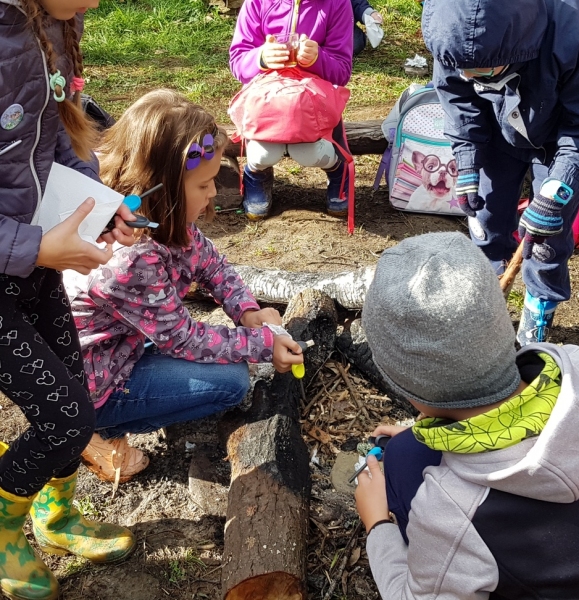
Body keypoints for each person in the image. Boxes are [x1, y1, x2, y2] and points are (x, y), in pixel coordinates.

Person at [66, 90, 305, 485]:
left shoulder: (158, 217)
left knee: (225, 359)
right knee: (231, 383)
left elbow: (211, 263)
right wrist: (263, 343)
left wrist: (246, 310)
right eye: (205, 184)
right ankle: (93, 432)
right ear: (164, 187)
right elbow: (184, 339)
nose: (213, 193)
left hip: (123, 345)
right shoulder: (130, 258)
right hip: (93, 385)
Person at [355, 231, 579, 599]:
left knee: (404, 459)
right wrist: (428, 432)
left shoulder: (450, 513)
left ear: (405, 387)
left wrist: (377, 525)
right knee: (406, 451)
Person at [0, 0, 139, 596]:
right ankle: (3, 534)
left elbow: (57, 138)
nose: (95, 4)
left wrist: (96, 208)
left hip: (35, 260)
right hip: (19, 259)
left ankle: (54, 516)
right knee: (65, 420)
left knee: (75, 400)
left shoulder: (53, 20)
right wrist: (35, 247)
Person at [420, 0, 579, 346]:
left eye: (481, 70)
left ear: (517, 45)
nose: (468, 77)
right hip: (497, 130)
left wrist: (558, 189)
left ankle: (539, 308)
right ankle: (490, 291)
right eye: (463, 69)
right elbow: (458, 98)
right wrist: (467, 158)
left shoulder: (578, 30)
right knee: (484, 216)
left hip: (560, 138)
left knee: (547, 237)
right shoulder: (452, 33)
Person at [229, 0, 354, 220]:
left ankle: (337, 168)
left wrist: (318, 59)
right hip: (267, 97)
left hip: (311, 99)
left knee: (308, 153)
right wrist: (261, 58)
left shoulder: (337, 3)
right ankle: (257, 172)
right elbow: (238, 61)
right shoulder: (257, 2)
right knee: (263, 154)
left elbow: (342, 71)